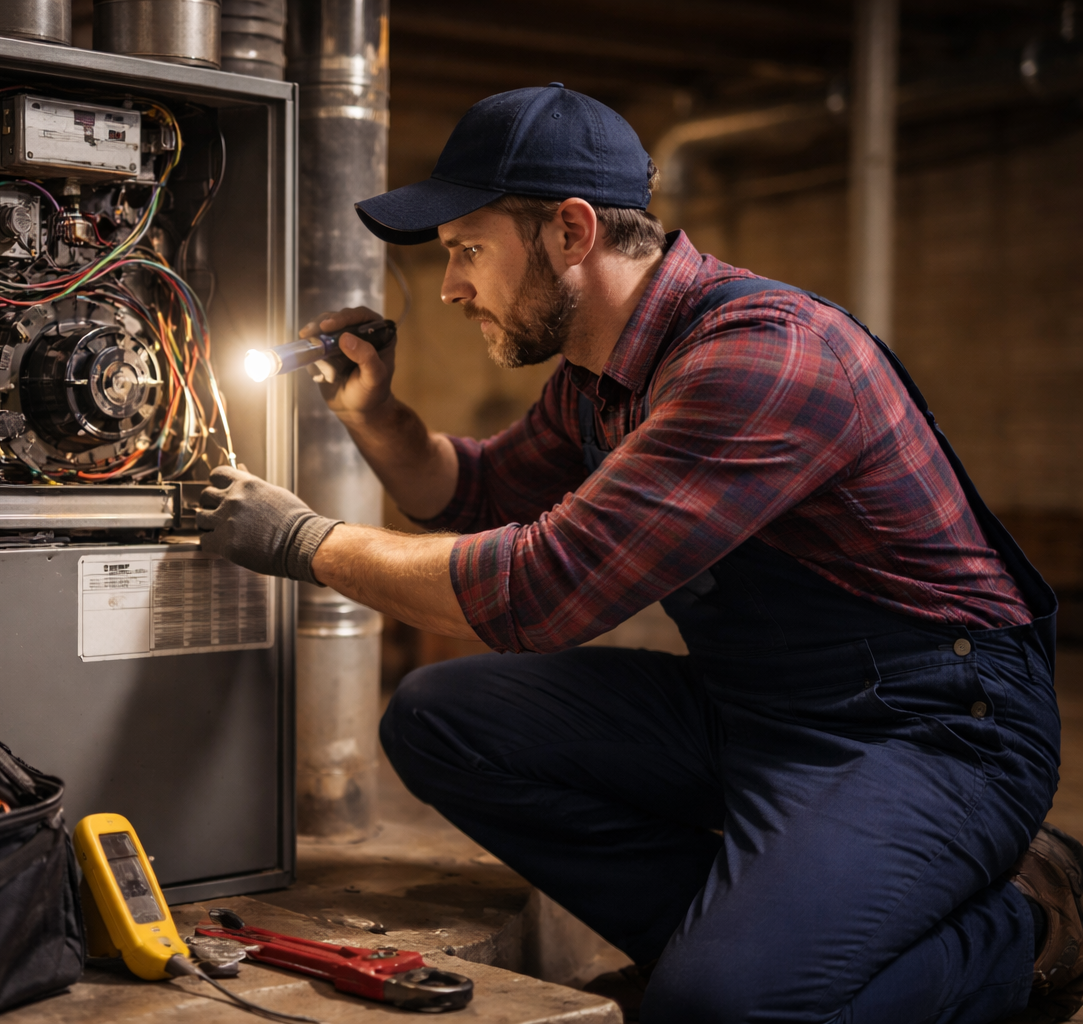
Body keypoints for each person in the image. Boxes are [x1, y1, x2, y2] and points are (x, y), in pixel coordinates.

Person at [195, 83, 1072, 1023]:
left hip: (929, 727)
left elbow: (538, 593)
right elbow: (472, 491)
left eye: (468, 252)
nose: (450, 287)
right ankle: (734, 940)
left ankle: (1026, 933)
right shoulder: (598, 375)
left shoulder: (758, 359)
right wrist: (373, 410)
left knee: (721, 1012)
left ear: (572, 233)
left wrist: (302, 541)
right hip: (759, 706)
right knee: (441, 719)